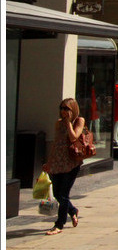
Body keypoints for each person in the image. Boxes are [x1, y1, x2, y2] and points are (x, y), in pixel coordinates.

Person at [42, 98, 85, 235]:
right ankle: (73, 210)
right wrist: (49, 162)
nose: (63, 111)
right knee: (57, 194)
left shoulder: (79, 121)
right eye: (61, 108)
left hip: (71, 163)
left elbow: (73, 137)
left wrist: (68, 124)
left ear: (73, 109)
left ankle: (59, 224)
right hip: (57, 162)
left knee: (63, 194)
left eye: (67, 109)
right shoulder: (58, 124)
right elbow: (55, 143)